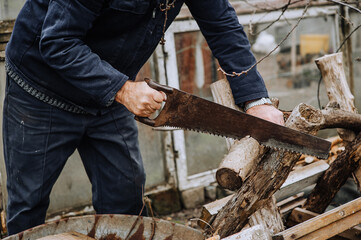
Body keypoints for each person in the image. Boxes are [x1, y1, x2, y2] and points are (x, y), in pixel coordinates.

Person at [3, 0, 284, 235]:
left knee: (124, 200)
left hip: (108, 94)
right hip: (40, 91)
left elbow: (222, 24)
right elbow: (57, 42)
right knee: (29, 206)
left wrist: (256, 101)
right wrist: (123, 90)